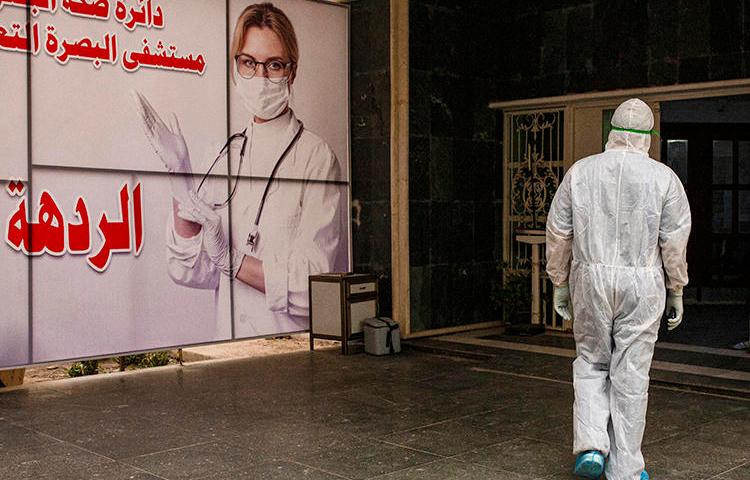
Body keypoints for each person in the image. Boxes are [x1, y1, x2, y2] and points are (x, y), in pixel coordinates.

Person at [135, 3, 344, 337]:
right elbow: (191, 271)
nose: (260, 77)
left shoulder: (316, 158)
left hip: (288, 353)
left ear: (292, 71)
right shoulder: (224, 154)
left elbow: (314, 287)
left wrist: (232, 260)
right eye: (248, 62)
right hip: (229, 347)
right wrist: (180, 175)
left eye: (273, 65)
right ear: (236, 68)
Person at [546, 98, 691, 480]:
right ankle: (625, 468)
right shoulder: (664, 179)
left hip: (589, 280)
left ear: (612, 131)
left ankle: (592, 446)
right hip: (642, 284)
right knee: (631, 374)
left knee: (592, 361)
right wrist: (676, 288)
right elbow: (674, 241)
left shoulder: (580, 172)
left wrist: (559, 281)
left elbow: (559, 231)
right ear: (648, 135)